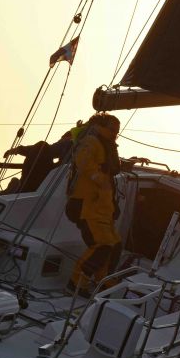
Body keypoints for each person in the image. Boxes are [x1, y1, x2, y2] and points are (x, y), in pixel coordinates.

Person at [65, 113, 122, 294]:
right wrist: (96, 177)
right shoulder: (91, 141)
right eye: (112, 130)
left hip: (101, 208)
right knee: (101, 244)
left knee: (114, 244)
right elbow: (83, 161)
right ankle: (75, 282)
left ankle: (102, 280)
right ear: (100, 126)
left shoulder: (105, 144)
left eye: (116, 131)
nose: (115, 134)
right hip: (86, 205)